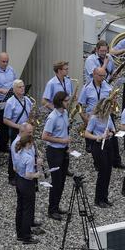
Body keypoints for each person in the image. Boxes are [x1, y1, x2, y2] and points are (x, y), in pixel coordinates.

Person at [84, 93, 117, 208]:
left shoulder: (108, 118)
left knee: (108, 171)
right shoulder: (94, 118)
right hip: (98, 146)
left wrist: (110, 133)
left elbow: (113, 130)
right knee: (102, 172)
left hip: (107, 144)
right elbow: (86, 133)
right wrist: (97, 137)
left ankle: (105, 197)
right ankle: (98, 199)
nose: (109, 111)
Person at [42, 91, 71, 219]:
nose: (68, 103)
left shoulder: (65, 114)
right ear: (60, 102)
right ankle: (52, 210)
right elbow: (45, 136)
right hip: (54, 152)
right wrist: (62, 141)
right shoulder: (52, 117)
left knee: (62, 180)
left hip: (63, 150)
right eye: (66, 101)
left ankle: (56, 205)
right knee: (56, 181)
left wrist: (67, 144)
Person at [13, 133, 44, 243]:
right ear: (29, 144)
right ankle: (27, 236)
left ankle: (20, 234)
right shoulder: (29, 158)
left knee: (20, 207)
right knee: (28, 210)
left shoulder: (18, 152)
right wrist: (37, 174)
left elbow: (16, 168)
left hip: (19, 181)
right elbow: (28, 175)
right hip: (26, 183)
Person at [3, 80, 34, 184]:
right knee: (15, 152)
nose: (22, 89)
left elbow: (30, 114)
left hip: (27, 129)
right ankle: (12, 176)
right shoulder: (10, 102)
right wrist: (19, 126)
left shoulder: (27, 100)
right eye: (20, 87)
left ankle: (27, 171)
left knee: (28, 149)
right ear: (14, 89)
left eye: (23, 86)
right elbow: (5, 120)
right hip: (16, 129)